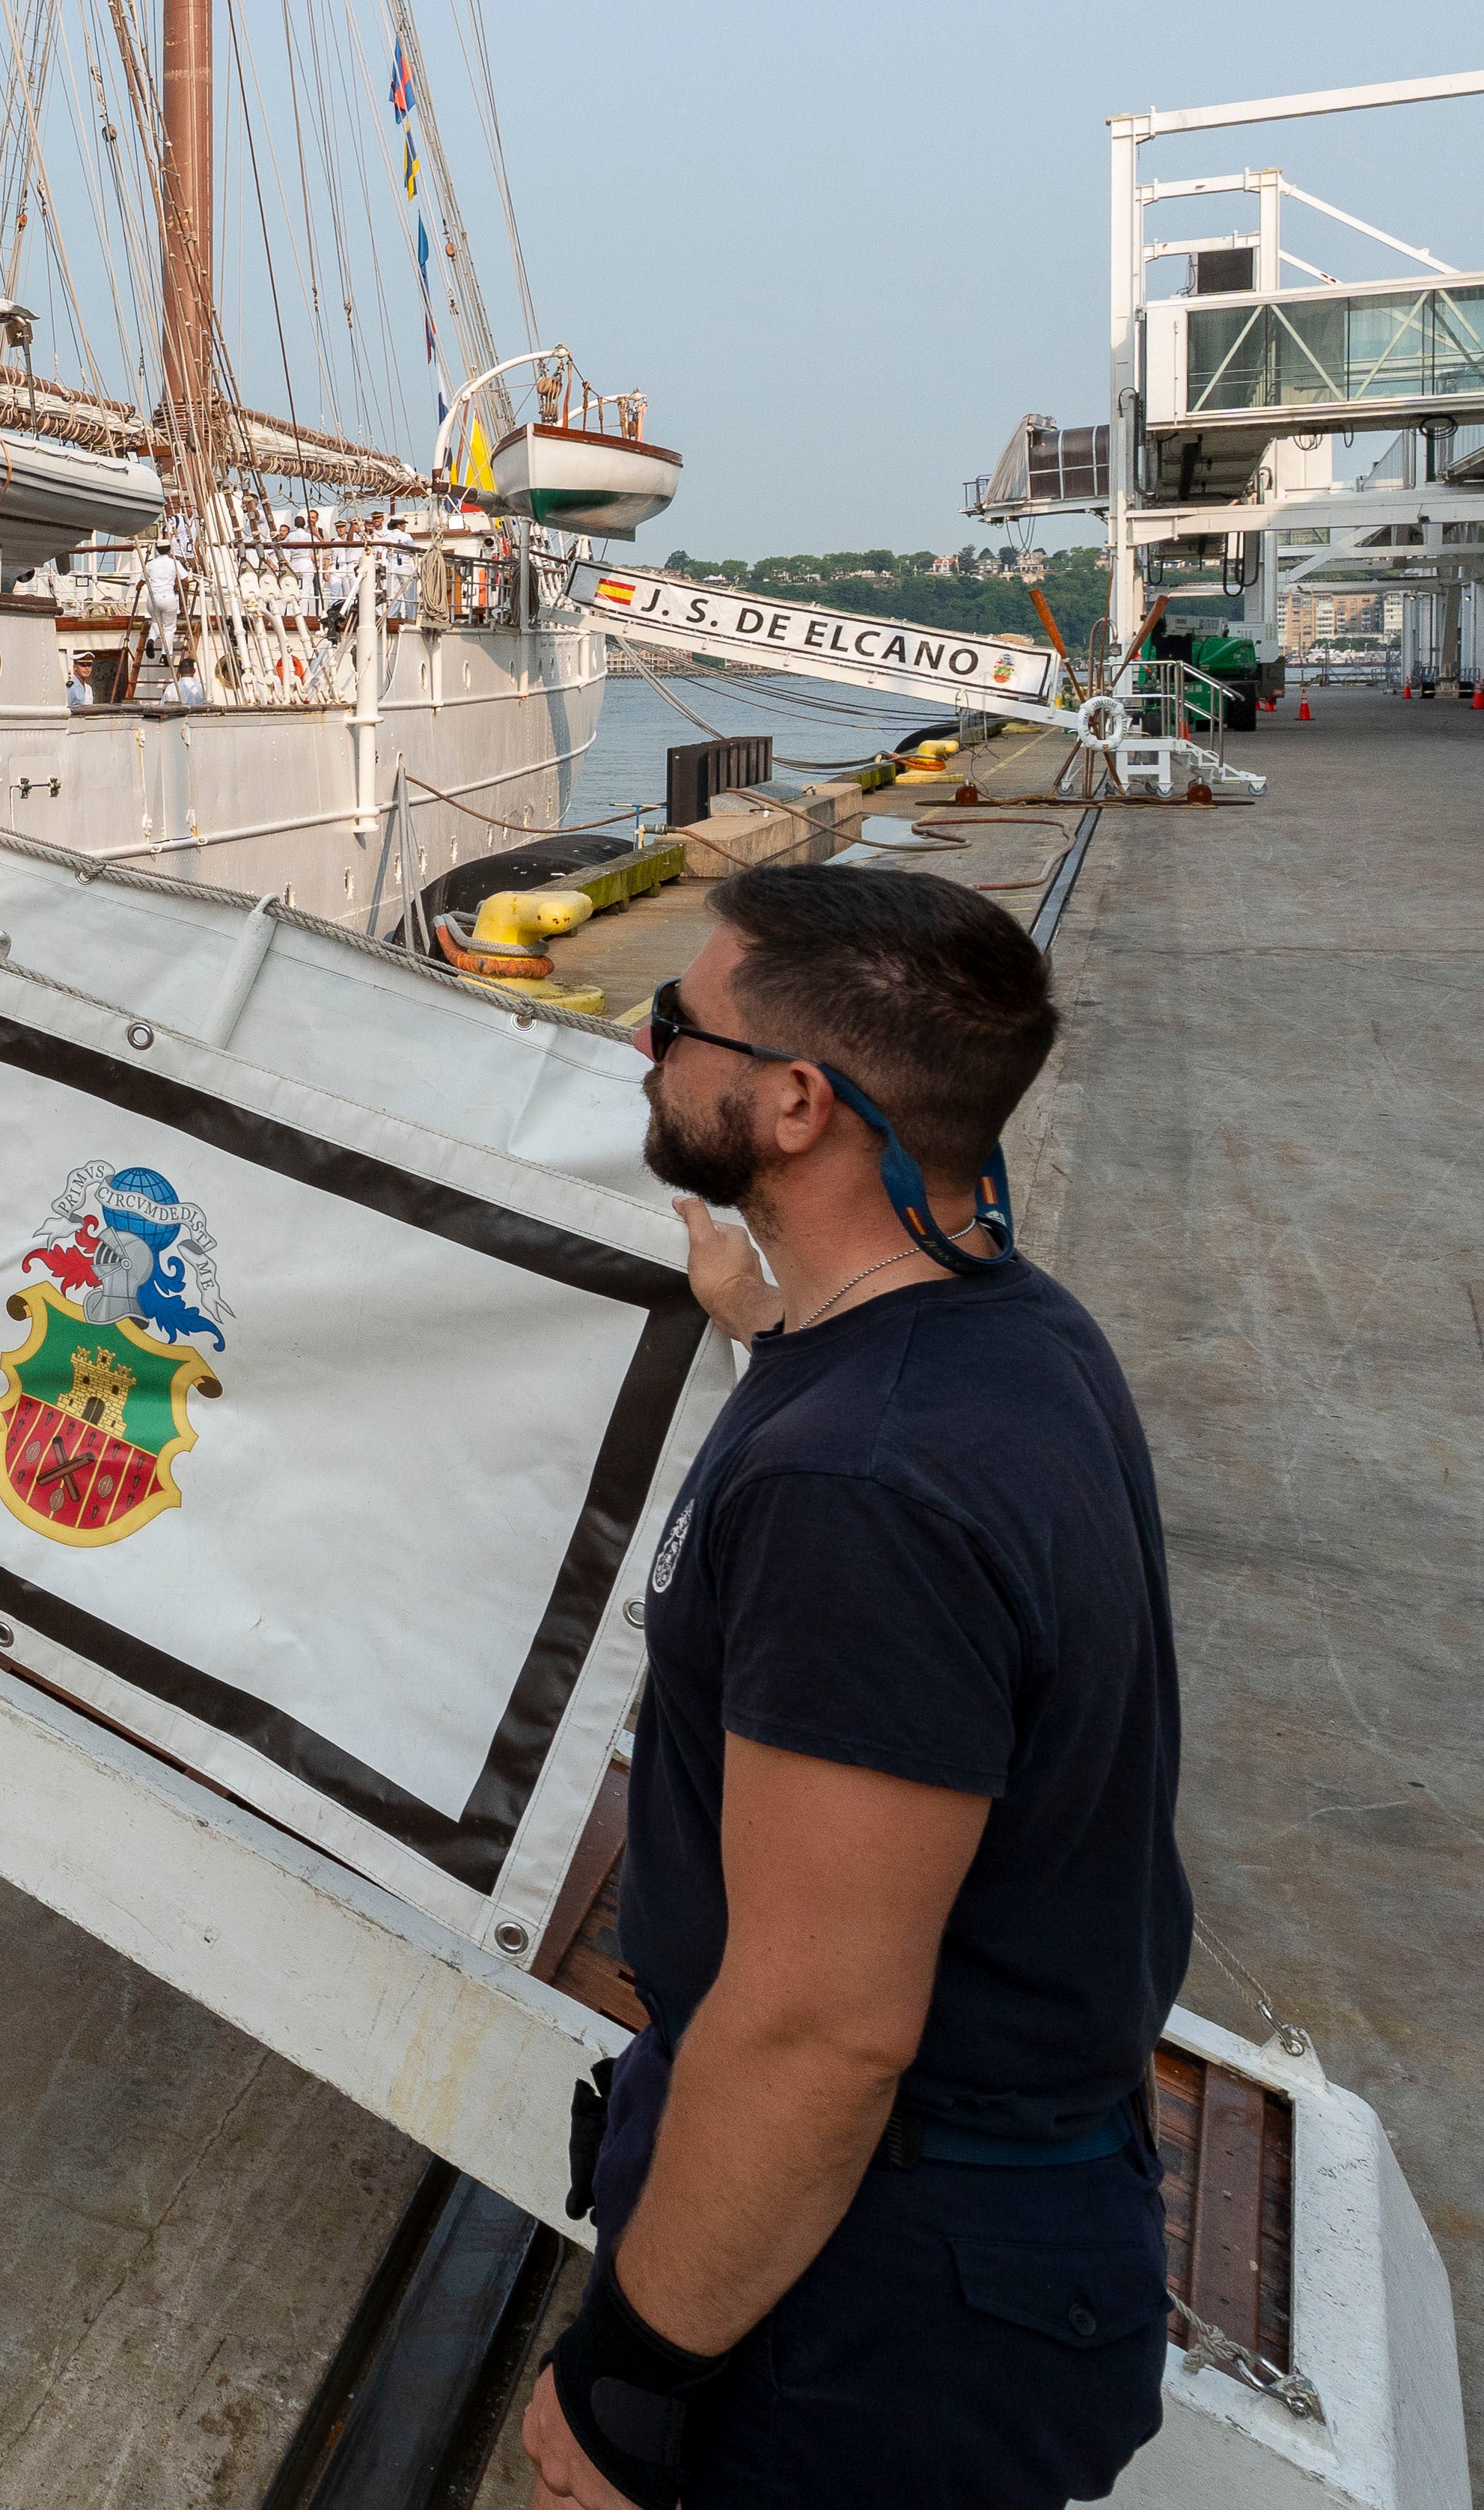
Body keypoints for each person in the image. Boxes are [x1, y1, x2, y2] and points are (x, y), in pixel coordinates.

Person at [529, 869, 1185, 2510]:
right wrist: (764, 1322)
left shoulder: (858, 1496)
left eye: (680, 1020)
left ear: (800, 1100)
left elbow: (820, 2028)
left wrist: (627, 2383)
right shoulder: (1013, 1333)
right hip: (997, 2209)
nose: (641, 1031)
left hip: (879, 2291)